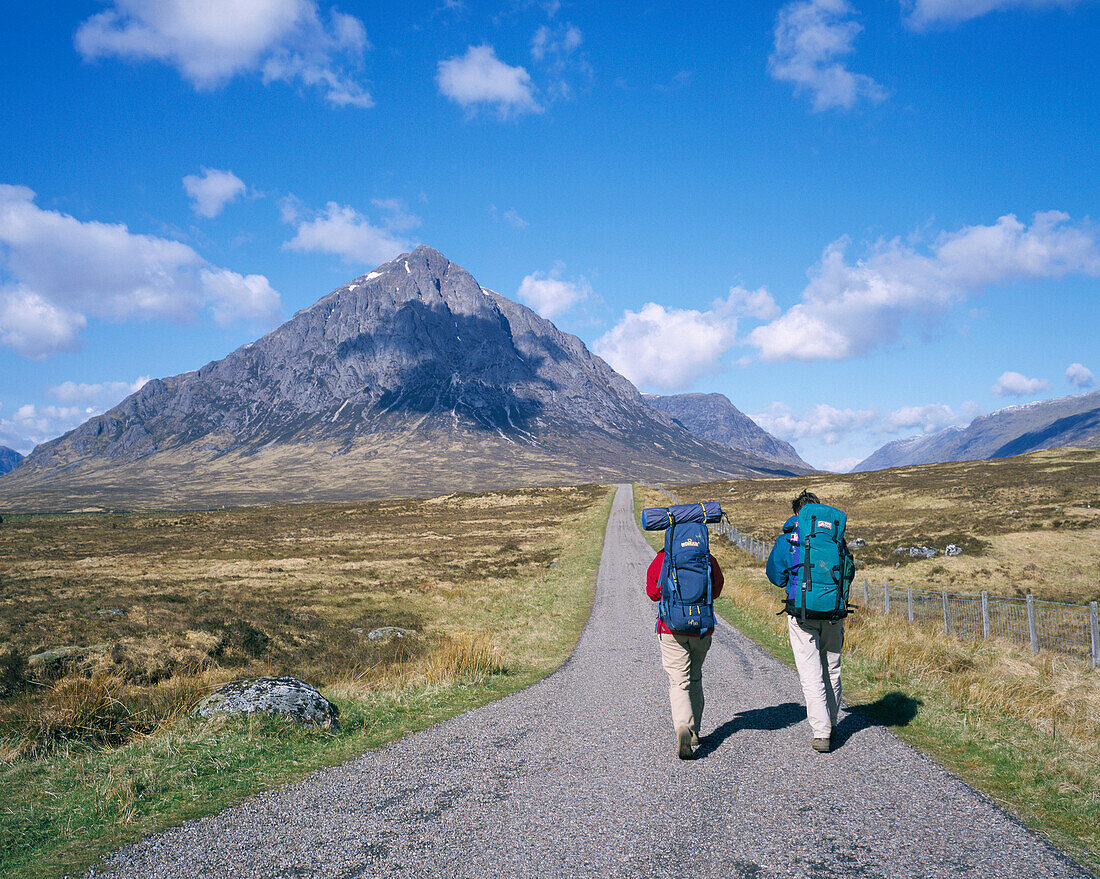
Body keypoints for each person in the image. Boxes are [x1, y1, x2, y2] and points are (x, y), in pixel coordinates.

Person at [766, 489, 848, 753]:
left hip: (801, 613)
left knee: (811, 674)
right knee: (832, 669)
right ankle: (832, 724)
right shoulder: (836, 539)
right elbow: (848, 572)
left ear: (797, 513)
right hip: (834, 613)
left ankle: (821, 732)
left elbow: (775, 575)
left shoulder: (789, 539)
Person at [646, 546, 724, 759]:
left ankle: (683, 728)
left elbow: (653, 593)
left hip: (671, 628)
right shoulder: (706, 556)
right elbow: (716, 590)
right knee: (695, 677)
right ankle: (695, 731)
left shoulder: (662, 557)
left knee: (679, 681)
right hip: (701, 628)